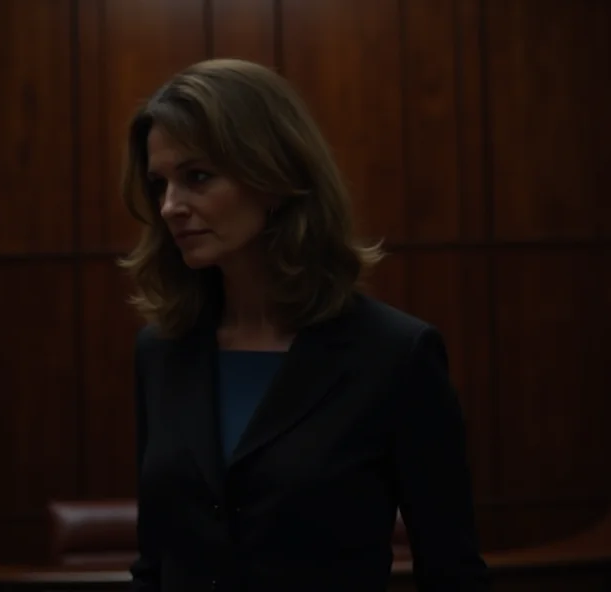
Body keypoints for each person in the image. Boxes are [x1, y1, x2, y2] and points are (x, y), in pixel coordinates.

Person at [119, 58, 488, 592]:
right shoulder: (162, 351)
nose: (171, 206)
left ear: (274, 176)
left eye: (198, 176)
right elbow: (155, 561)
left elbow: (452, 571)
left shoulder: (394, 355)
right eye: (160, 184)